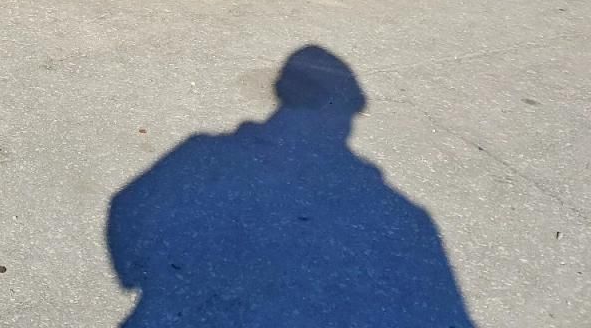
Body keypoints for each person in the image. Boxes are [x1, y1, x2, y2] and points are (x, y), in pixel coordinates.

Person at [107, 46, 477, 327]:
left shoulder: (202, 154)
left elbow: (125, 205)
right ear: (343, 111)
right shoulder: (400, 217)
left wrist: (142, 278)